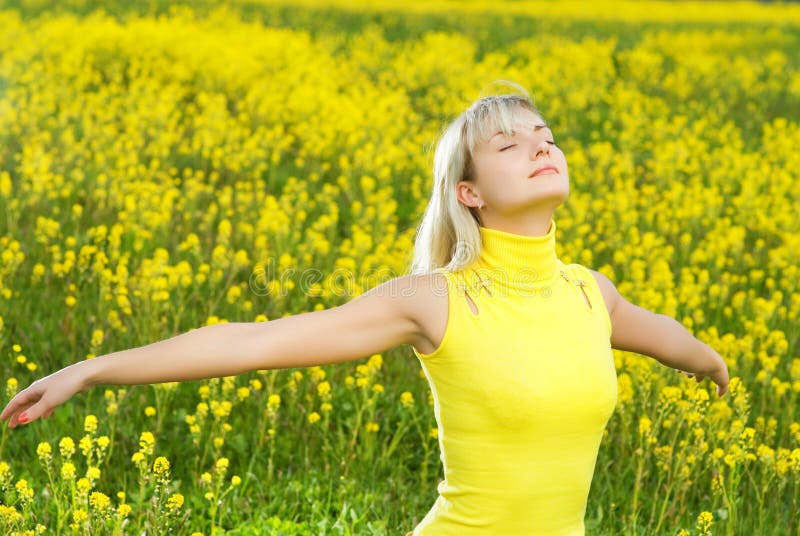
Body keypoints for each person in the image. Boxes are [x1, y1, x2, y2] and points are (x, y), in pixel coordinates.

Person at [1, 85, 729, 535]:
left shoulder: (587, 293)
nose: (542, 147)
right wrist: (91, 370)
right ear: (469, 193)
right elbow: (252, 340)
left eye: (546, 137)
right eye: (509, 143)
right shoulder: (435, 301)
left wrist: (707, 361)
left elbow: (657, 333)